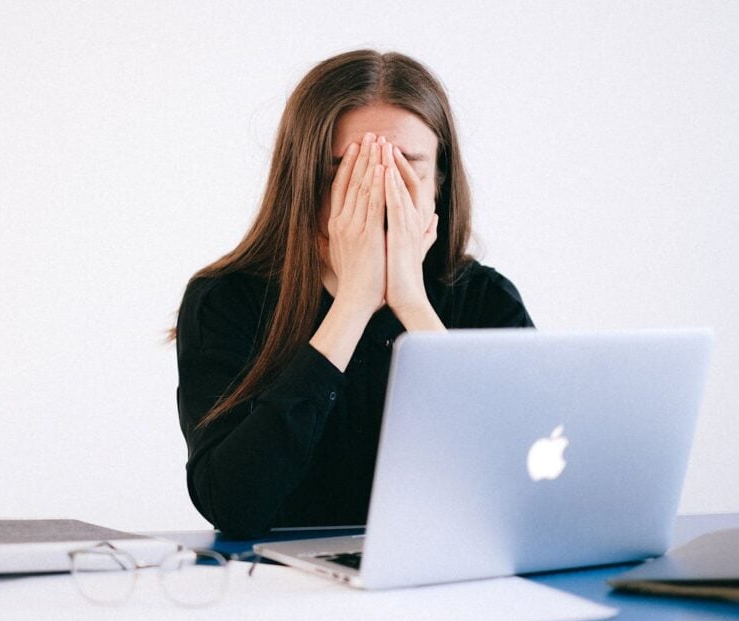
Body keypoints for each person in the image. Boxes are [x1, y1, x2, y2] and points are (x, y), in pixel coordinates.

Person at [174, 49, 534, 538]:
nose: (379, 193)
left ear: (439, 185)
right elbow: (234, 504)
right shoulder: (225, 300)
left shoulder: (486, 299)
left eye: (406, 168)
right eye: (347, 172)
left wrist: (411, 303)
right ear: (302, 184)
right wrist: (353, 305)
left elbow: (522, 486)